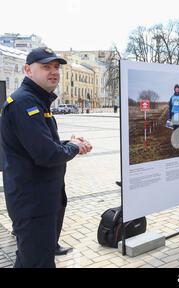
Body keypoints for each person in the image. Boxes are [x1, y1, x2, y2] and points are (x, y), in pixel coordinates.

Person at [1, 47, 93, 268]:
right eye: (46, 67)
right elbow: (46, 154)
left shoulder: (37, 100)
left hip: (41, 199)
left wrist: (70, 144)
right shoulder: (25, 103)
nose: (54, 72)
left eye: (56, 67)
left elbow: (39, 146)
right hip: (33, 203)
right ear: (28, 70)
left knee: (31, 261)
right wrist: (73, 147)